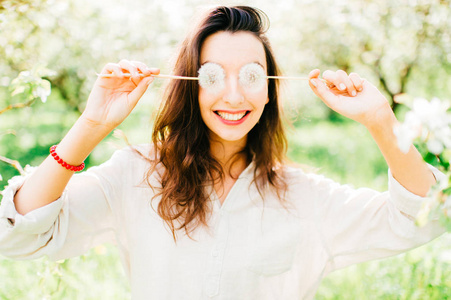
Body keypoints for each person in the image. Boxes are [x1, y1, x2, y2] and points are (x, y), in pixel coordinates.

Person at [0, 5, 447, 300]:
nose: (233, 95)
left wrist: (382, 123)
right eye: (213, 76)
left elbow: (423, 218)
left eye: (251, 76)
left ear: (270, 90)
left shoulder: (304, 195)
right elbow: (17, 236)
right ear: (191, 86)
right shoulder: (136, 176)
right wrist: (91, 126)